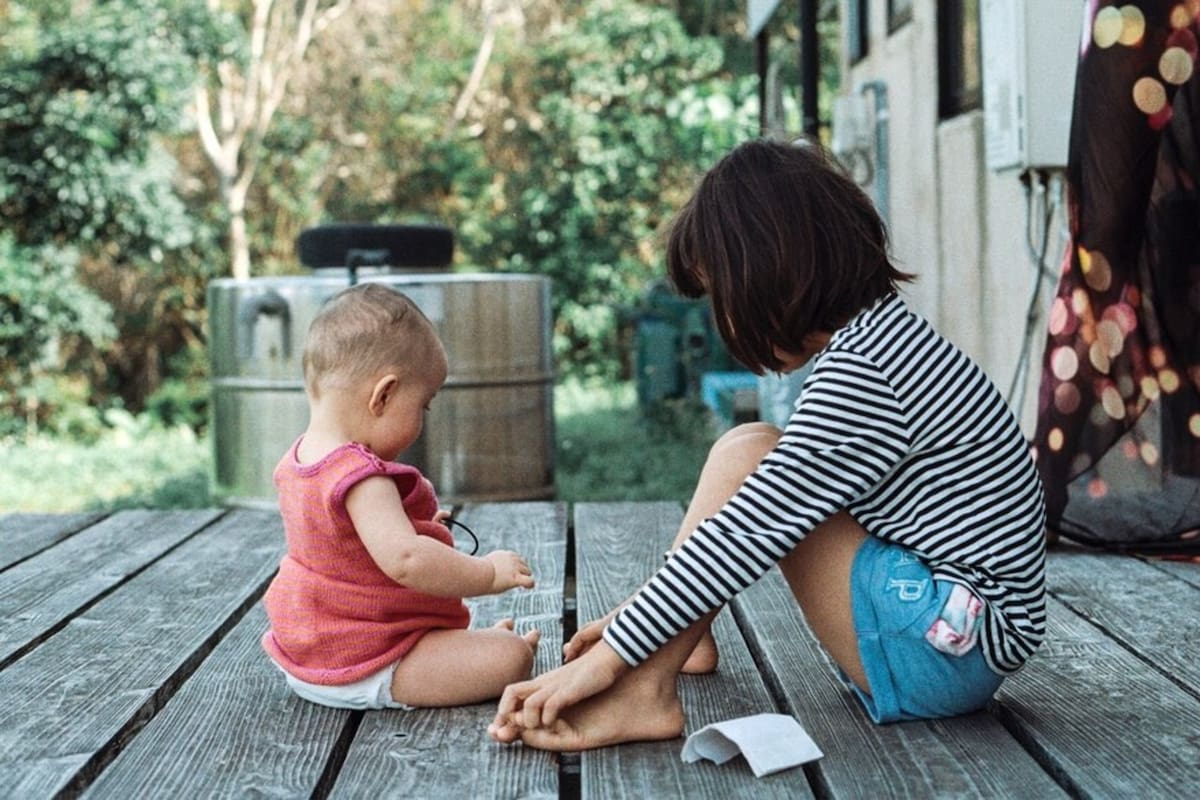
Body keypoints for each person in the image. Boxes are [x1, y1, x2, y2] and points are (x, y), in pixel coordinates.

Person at [488, 138, 1047, 750]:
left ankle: (646, 687)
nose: (725, 324)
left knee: (753, 464)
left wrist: (615, 655)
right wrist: (644, 617)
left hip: (944, 653)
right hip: (950, 632)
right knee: (747, 444)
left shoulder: (866, 376)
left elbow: (747, 532)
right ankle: (682, 637)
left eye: (721, 298)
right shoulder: (882, 341)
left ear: (764, 277)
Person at [262, 282, 539, 710]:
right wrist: (487, 574)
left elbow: (343, 548)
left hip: (307, 657)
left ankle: (467, 652)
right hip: (372, 658)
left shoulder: (297, 461)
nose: (423, 420)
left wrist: (412, 524)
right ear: (384, 395)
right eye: (423, 405)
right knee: (513, 657)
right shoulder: (359, 475)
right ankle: (482, 652)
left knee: (482, 650)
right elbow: (408, 560)